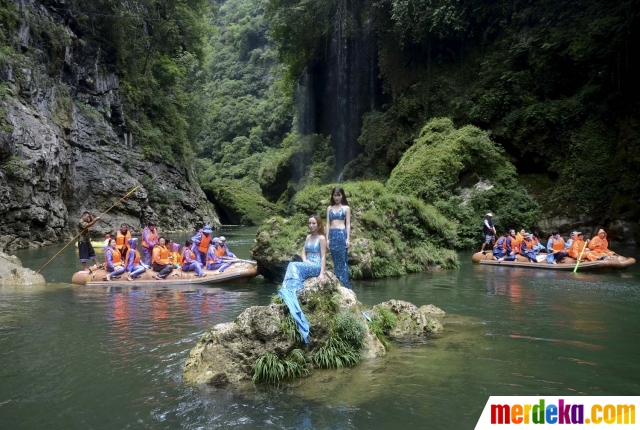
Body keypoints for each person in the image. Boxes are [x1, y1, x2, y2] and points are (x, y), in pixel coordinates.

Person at [278, 214, 327, 344]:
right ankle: (292, 286)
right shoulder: (308, 237)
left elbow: (323, 256)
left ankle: (292, 287)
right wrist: (305, 260)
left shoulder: (321, 238)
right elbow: (303, 251)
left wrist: (321, 274)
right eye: (309, 223)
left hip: (316, 266)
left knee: (292, 264)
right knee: (294, 265)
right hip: (308, 263)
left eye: (313, 223)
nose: (311, 226)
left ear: (319, 225)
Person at [325, 187, 351, 288]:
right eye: (335, 195)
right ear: (332, 196)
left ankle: (345, 285)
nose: (337, 197)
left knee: (343, 261)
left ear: (342, 195)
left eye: (339, 195)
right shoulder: (329, 208)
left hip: (341, 234)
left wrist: (348, 238)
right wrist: (327, 238)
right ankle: (338, 285)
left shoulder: (346, 208)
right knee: (336, 261)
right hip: (332, 234)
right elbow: (327, 224)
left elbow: (348, 224)